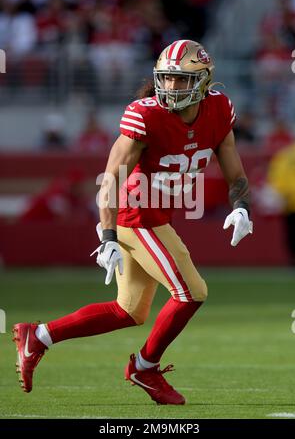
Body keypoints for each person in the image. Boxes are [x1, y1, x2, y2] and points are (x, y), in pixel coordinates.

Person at [13, 40, 253, 405]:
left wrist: (241, 206)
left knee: (129, 311)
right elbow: (110, 178)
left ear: (204, 82)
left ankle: (39, 336)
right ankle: (144, 367)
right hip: (135, 216)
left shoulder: (219, 110)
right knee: (192, 291)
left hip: (158, 216)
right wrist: (107, 235)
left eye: (182, 80)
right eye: (168, 79)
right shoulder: (146, 114)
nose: (172, 88)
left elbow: (234, 169)